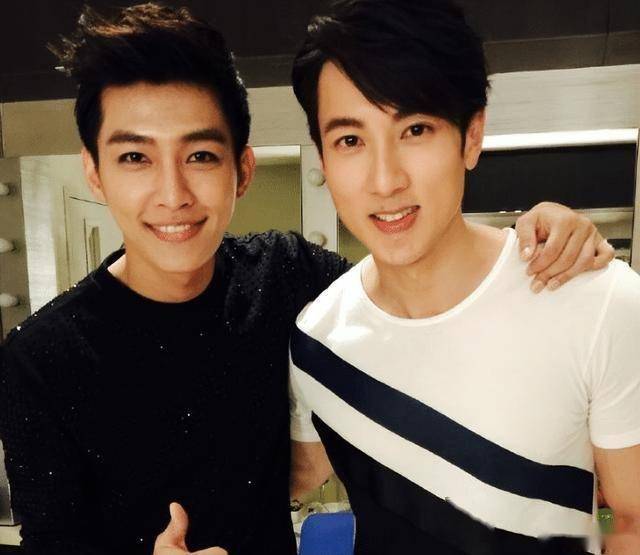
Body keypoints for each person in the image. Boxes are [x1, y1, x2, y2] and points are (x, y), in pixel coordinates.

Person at [0, 3, 614, 555]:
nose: (172, 193)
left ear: (242, 170)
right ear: (95, 172)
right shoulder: (41, 358)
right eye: (135, 157)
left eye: (201, 155)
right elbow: (48, 541)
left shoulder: (287, 276)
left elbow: (416, 291)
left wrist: (539, 232)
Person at [286, 1, 640, 554]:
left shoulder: (597, 301)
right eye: (350, 140)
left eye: (415, 129)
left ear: (471, 136)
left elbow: (632, 520)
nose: (385, 180)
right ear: (323, 159)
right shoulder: (316, 341)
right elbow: (278, 480)